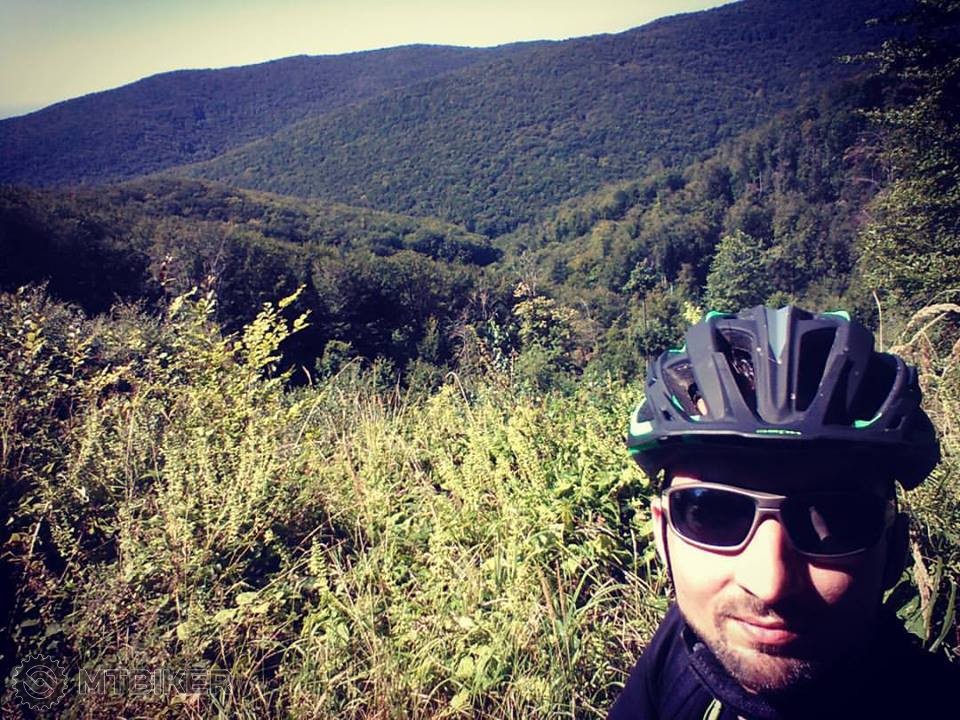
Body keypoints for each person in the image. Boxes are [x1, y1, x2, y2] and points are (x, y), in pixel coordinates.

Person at [609, 305, 959, 719]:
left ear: (895, 549)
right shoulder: (681, 647)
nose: (769, 584)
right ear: (663, 534)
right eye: (712, 515)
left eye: (834, 519)